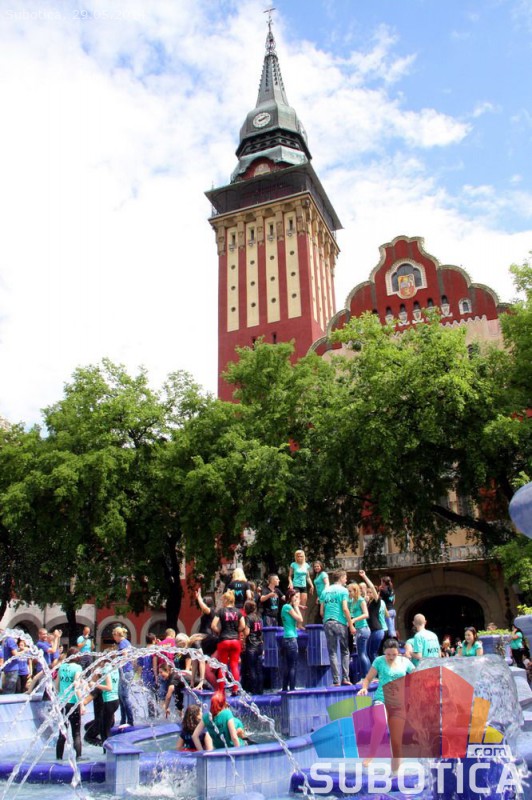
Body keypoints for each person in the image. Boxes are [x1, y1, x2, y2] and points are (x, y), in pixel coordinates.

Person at [358, 638, 415, 773]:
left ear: (398, 652)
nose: (390, 657)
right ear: (384, 652)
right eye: (388, 654)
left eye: (394, 654)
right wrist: (364, 688)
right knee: (381, 722)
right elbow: (368, 678)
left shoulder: (405, 662)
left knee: (396, 741)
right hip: (381, 698)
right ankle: (371, 754)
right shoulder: (379, 661)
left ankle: (395, 773)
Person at [321, 569, 355, 686]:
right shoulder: (343, 590)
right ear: (341, 578)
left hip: (327, 622)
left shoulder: (325, 591)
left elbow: (321, 611)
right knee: (345, 651)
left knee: (332, 652)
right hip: (340, 622)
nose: (346, 580)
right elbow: (345, 608)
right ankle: (345, 678)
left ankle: (336, 680)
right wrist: (351, 625)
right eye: (345, 578)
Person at [212, 590, 246, 693]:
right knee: (234, 665)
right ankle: (235, 689)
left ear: (226, 600)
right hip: (235, 640)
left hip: (224, 640)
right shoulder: (238, 612)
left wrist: (219, 631)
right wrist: (237, 630)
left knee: (223, 665)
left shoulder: (221, 611)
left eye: (223, 600)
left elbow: (213, 625)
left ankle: (221, 690)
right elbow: (243, 625)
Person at [55, 647, 84, 761]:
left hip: (62, 703)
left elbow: (57, 685)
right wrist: (81, 704)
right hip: (73, 703)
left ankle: (58, 758)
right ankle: (79, 757)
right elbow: (76, 686)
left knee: (62, 732)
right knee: (76, 733)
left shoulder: (62, 666)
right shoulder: (77, 668)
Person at [359, 570, 386, 663]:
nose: (369, 594)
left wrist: (364, 576)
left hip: (377, 630)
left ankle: (377, 670)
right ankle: (373, 670)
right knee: (369, 653)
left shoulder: (376, 602)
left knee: (372, 653)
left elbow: (371, 587)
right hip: (371, 631)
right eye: (368, 592)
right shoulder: (366, 603)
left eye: (371, 592)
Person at [281, 589, 303, 691]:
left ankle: (285, 688)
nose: (297, 599)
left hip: (287, 638)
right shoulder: (288, 607)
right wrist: (296, 607)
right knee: (292, 665)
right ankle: (292, 689)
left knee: (287, 665)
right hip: (291, 639)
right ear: (290, 597)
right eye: (296, 597)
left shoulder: (286, 607)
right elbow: (300, 619)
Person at [112, 626, 134, 728]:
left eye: (113, 635)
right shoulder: (126, 642)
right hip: (126, 671)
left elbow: (125, 656)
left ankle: (130, 720)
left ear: (117, 634)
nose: (113, 638)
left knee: (124, 696)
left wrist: (118, 665)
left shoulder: (123, 643)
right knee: (121, 696)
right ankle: (123, 720)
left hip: (125, 672)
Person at [347, 582, 371, 676]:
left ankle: (366, 676)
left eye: (350, 591)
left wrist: (354, 619)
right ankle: (367, 675)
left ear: (355, 591)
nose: (349, 593)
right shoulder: (353, 601)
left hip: (363, 629)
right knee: (362, 654)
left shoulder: (361, 600)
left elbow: (366, 614)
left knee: (362, 654)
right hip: (359, 629)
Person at [241, 600, 263, 695]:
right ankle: (260, 690)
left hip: (251, 646)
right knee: (259, 669)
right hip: (259, 645)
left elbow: (247, 632)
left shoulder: (248, 618)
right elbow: (260, 632)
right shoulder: (259, 618)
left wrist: (243, 640)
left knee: (252, 669)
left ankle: (253, 690)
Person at [136, 633, 159, 717]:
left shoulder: (143, 651)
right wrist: (156, 677)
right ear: (153, 640)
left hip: (145, 676)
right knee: (157, 696)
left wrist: (139, 678)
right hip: (152, 675)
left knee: (149, 697)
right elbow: (154, 666)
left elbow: (139, 666)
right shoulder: (155, 651)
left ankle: (151, 716)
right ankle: (158, 715)